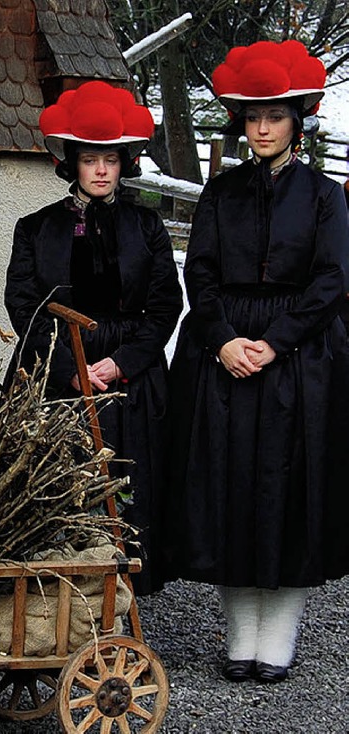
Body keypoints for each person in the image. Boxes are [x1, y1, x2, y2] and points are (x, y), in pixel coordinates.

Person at [166, 40, 349, 683]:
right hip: (225, 360)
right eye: (252, 117)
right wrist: (220, 339)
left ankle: (279, 642)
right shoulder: (220, 193)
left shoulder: (326, 196)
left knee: (287, 494)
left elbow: (332, 280)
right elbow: (204, 274)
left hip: (300, 363)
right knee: (231, 490)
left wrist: (276, 342)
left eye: (274, 116)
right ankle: (239, 640)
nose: (263, 128)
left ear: (297, 119)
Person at [5, 81, 183, 594]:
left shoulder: (147, 226)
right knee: (61, 485)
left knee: (128, 485)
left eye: (110, 158)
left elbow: (165, 306)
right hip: (56, 374)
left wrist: (121, 362)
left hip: (130, 382)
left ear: (124, 162)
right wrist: (70, 367)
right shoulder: (35, 228)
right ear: (73, 163)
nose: (101, 169)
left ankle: (124, 599)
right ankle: (59, 595)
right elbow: (24, 306)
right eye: (90, 159)